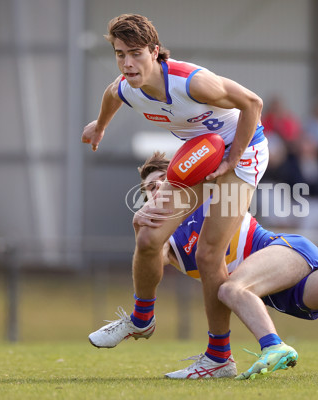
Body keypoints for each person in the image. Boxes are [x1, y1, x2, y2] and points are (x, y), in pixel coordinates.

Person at [91, 151, 318, 379]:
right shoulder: (163, 239)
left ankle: (273, 345)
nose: (154, 193)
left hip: (285, 252)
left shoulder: (211, 195)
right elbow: (149, 258)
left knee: (230, 287)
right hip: (276, 294)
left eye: (160, 184)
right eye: (146, 189)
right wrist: (143, 229)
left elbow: (227, 165)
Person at [82, 14, 269, 374]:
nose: (127, 63)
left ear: (155, 51)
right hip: (203, 153)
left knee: (209, 253)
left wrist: (231, 160)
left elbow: (253, 104)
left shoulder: (193, 83)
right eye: (120, 54)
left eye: (135, 53)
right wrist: (100, 126)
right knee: (148, 231)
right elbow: (111, 94)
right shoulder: (127, 85)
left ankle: (218, 359)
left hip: (243, 156)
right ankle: (142, 318)